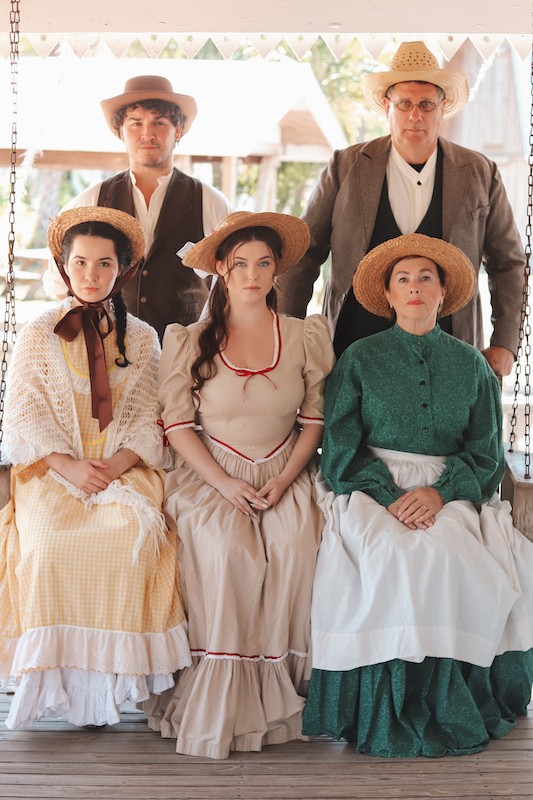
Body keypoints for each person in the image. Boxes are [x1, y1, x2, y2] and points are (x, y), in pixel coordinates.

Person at [302, 233, 533, 757]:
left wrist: (440, 493)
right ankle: (382, 710)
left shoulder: (471, 364)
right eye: (403, 279)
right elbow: (340, 446)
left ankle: (448, 702)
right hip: (369, 483)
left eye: (425, 278)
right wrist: (387, 495)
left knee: (450, 551)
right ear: (387, 294)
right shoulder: (359, 359)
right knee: (384, 552)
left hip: (450, 488)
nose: (414, 287)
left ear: (443, 291)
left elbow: (486, 453)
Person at [142, 211, 335, 759]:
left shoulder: (303, 335)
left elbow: (314, 421)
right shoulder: (189, 339)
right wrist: (225, 484)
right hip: (212, 473)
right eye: (240, 264)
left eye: (263, 264)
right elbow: (178, 426)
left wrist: (285, 479)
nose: (252, 275)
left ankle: (283, 695)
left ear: (277, 271)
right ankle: (221, 698)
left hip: (285, 470)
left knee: (295, 546)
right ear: (222, 270)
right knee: (227, 551)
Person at [0, 207, 191, 729]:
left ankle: (105, 693)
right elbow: (24, 415)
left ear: (122, 270)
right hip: (52, 469)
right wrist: (69, 466)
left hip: (122, 467)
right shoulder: (38, 333)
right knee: (47, 548)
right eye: (80, 262)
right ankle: (55, 687)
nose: (91, 274)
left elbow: (149, 416)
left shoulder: (142, 338)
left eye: (104, 263)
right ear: (64, 267)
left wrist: (115, 465)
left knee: (131, 540)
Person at [278, 40, 526, 376]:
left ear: (442, 108)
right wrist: (287, 336)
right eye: (405, 103)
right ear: (387, 106)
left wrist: (505, 342)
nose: (415, 115)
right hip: (353, 345)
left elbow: (508, 263)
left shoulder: (480, 172)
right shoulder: (345, 166)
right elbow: (304, 255)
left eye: (426, 105)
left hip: (450, 350)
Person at [43, 75, 233, 340]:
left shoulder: (210, 202)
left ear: (178, 131)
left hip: (186, 351)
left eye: (159, 123)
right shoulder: (92, 199)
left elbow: (236, 279)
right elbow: (58, 281)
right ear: (121, 131)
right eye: (135, 123)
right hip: (109, 349)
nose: (147, 134)